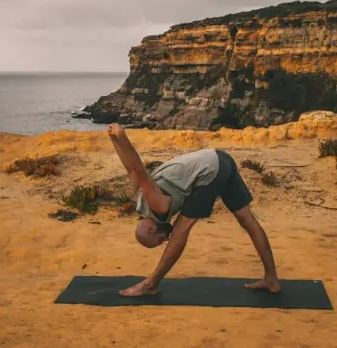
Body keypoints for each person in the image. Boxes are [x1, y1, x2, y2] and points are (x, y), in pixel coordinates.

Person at [107, 123, 280, 297]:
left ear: (151, 228)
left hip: (210, 170)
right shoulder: (138, 193)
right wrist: (114, 139)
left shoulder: (158, 207)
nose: (164, 239)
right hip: (221, 158)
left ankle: (150, 284)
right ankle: (271, 279)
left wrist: (122, 136)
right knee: (246, 218)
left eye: (159, 240)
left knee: (180, 230)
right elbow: (130, 169)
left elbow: (138, 168)